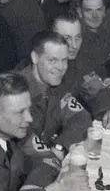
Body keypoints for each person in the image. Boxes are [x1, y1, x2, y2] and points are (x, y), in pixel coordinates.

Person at [15, 31, 92, 187]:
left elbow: (81, 118)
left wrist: (60, 146)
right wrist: (53, 156)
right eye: (53, 60)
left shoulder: (55, 85)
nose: (61, 68)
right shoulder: (15, 91)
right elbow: (28, 147)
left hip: (44, 168)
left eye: (64, 60)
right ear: (35, 58)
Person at [51, 12, 110, 129]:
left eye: (78, 37)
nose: (74, 45)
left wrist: (109, 110)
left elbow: (96, 87)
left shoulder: (79, 62)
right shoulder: (38, 67)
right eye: (67, 38)